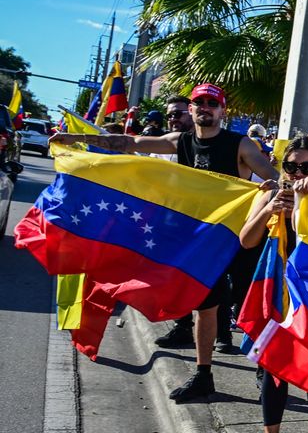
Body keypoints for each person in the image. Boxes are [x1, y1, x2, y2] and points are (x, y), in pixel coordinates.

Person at [50, 82, 279, 402]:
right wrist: (77, 139)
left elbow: (272, 181)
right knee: (206, 306)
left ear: (222, 110)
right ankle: (203, 375)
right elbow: (129, 143)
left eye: (212, 104)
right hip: (200, 241)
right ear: (192, 109)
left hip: (239, 238)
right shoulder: (180, 141)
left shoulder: (240, 145)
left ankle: (265, 367)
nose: (204, 109)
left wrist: (270, 200)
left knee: (251, 304)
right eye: (199, 103)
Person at [240, 136, 308, 433]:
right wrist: (269, 210)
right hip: (276, 292)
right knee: (272, 366)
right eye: (291, 166)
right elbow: (246, 240)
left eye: (307, 167)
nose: (298, 174)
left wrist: (301, 207)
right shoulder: (268, 194)